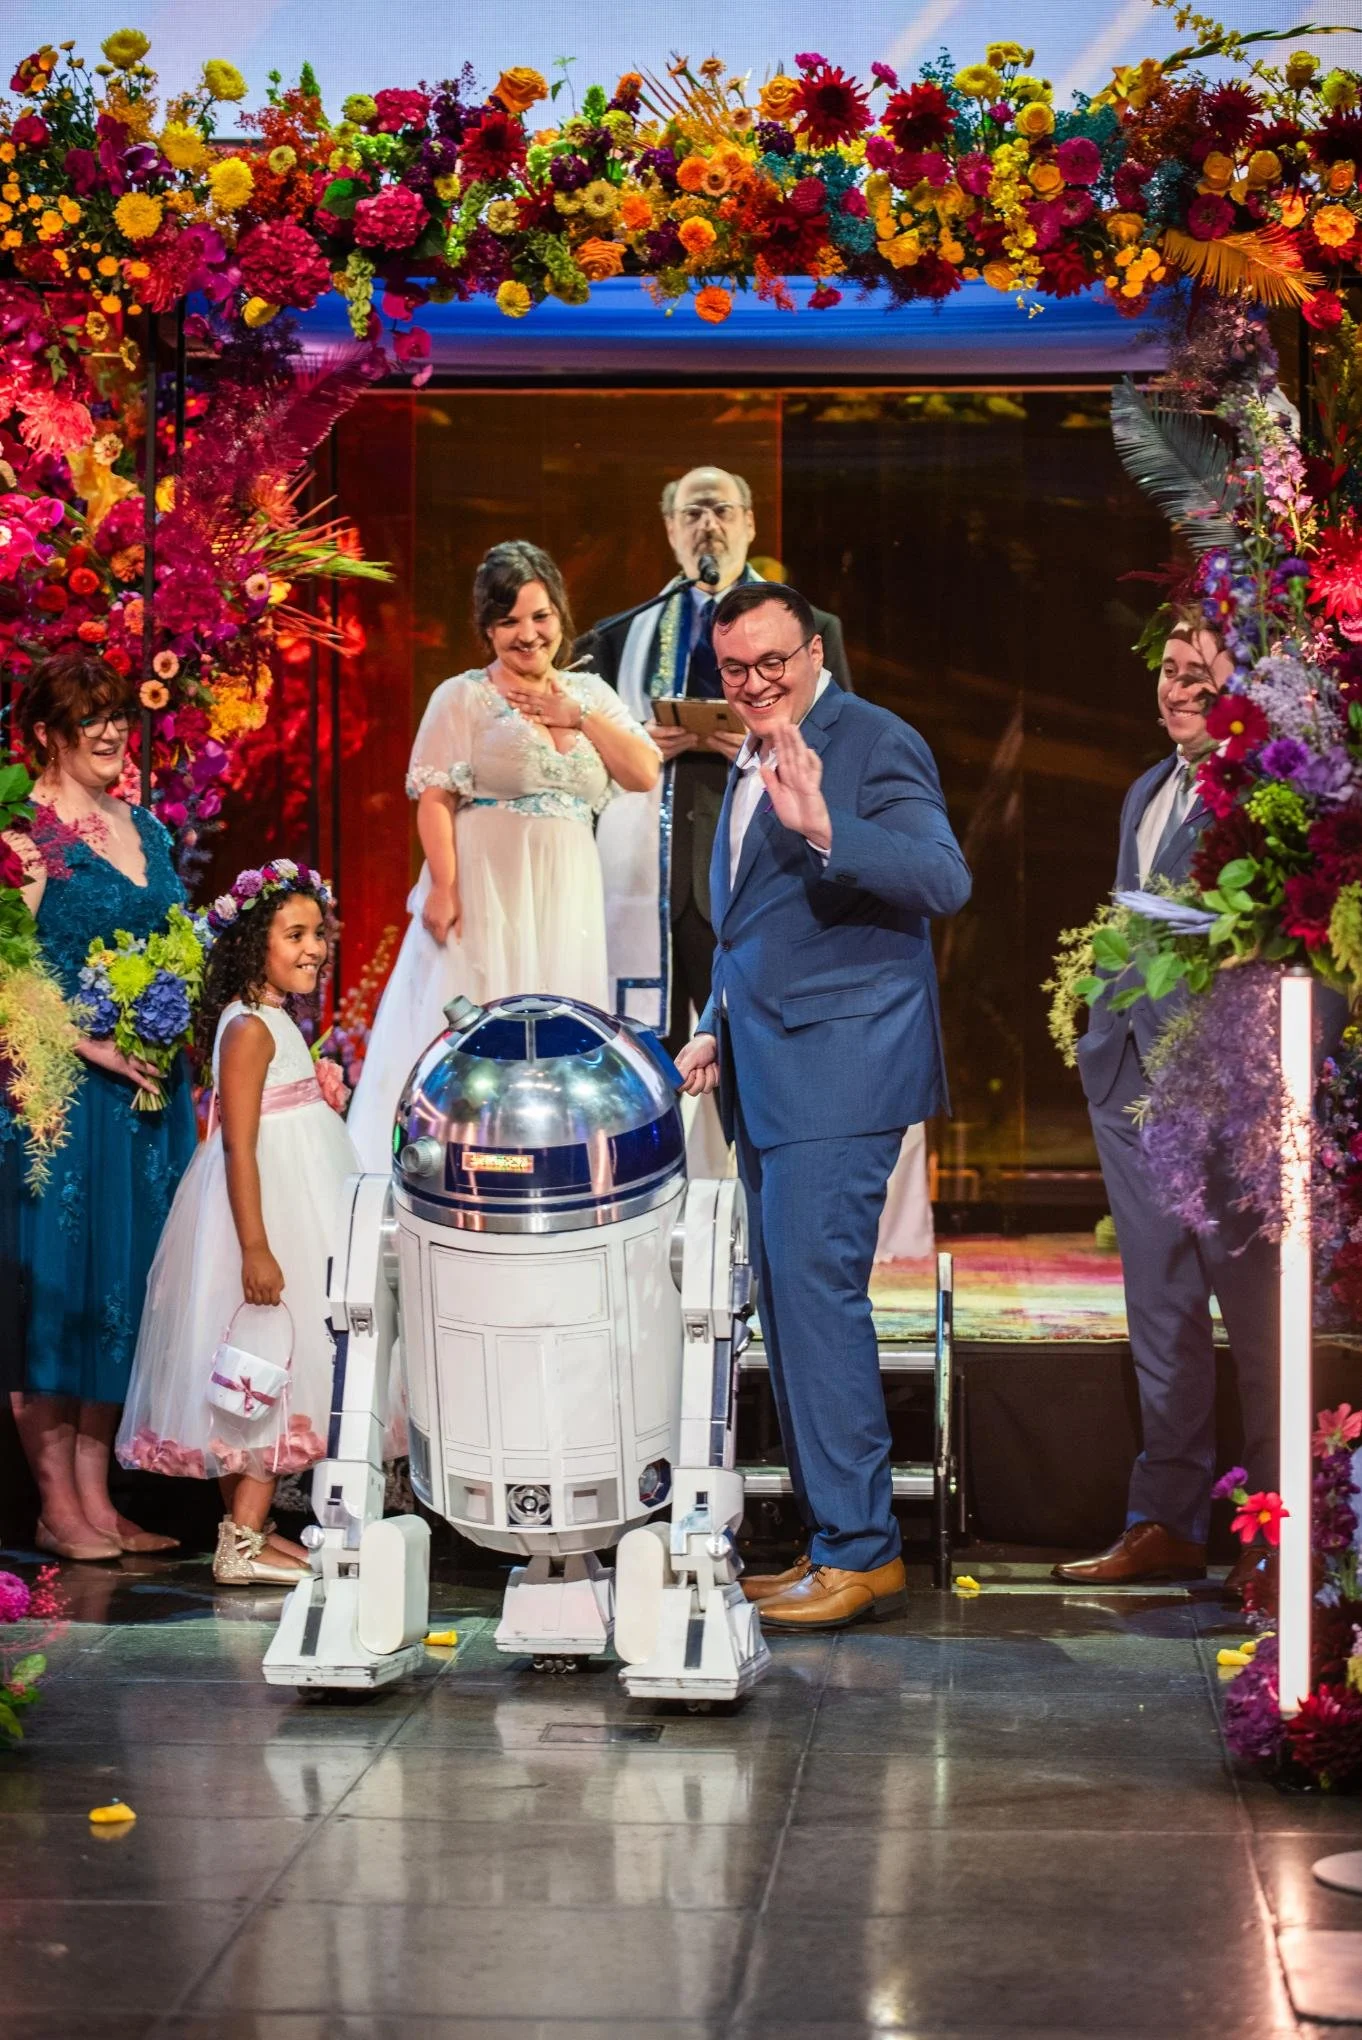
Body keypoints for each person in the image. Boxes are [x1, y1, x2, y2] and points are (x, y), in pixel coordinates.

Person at [676, 582, 971, 1629]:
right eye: (734, 671)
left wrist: (827, 825)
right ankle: (834, 1543)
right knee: (790, 1311)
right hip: (767, 1070)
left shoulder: (873, 741)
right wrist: (713, 1018)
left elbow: (944, 878)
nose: (753, 686)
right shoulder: (751, 755)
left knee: (816, 1300)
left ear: (814, 652)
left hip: (844, 1070)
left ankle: (859, 1549)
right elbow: (749, 925)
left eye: (771, 664)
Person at [1053, 618, 1296, 1595]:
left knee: (1261, 1328)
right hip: (1133, 1096)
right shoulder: (1146, 790)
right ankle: (1167, 1518)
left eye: (1204, 670)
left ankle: (1276, 1536)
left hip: (1229, 1104)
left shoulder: (1272, 800)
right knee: (1160, 1317)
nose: (1181, 685)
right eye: (1169, 668)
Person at [347, 540, 660, 1171]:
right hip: (490, 884)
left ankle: (551, 1161)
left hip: (566, 887)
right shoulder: (463, 696)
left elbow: (645, 770)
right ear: (487, 628)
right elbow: (434, 798)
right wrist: (443, 885)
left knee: (558, 1021)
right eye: (508, 621)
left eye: (539, 616)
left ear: (560, 616)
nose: (527, 634)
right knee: (476, 1017)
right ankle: (446, 1164)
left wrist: (578, 716)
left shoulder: (587, 692)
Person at [3, 651, 196, 1560]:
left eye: (120, 715)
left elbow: (175, 940)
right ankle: (55, 1504)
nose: (114, 732)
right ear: (46, 733)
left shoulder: (145, 827)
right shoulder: (26, 835)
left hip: (148, 1097)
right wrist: (92, 1044)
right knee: (64, 1296)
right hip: (66, 1097)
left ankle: (97, 1495)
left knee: (127, 1294)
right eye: (92, 719)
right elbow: (9, 969)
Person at [118, 863, 354, 1586]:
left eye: (319, 933)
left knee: (258, 1374)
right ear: (255, 945)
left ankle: (246, 1531)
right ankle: (242, 1542)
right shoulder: (248, 1028)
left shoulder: (273, 1017)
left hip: (295, 1190)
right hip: (270, 1208)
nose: (314, 947)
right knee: (270, 1369)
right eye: (295, 934)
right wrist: (255, 1245)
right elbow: (238, 1142)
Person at [585, 465, 849, 1054]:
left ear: (751, 523)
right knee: (646, 1064)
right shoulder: (620, 636)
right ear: (670, 529)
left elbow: (841, 744)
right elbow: (582, 755)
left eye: (722, 510)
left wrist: (769, 741)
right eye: (692, 513)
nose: (708, 526)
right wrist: (634, 740)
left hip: (759, 871)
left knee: (756, 1055)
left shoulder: (814, 631)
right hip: (650, 880)